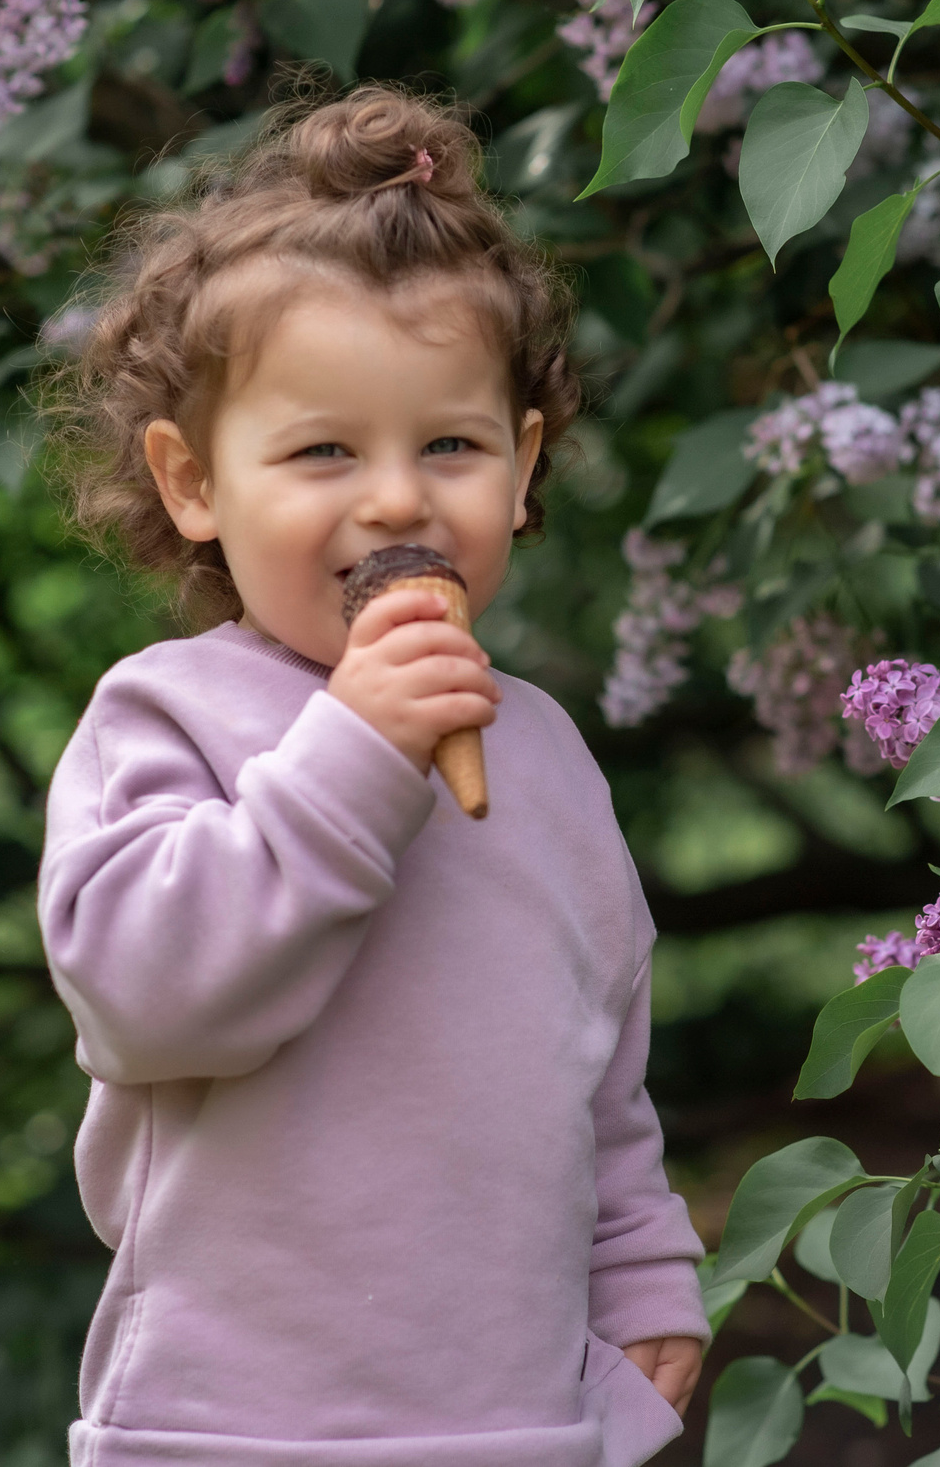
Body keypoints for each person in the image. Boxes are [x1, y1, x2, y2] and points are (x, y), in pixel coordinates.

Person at [36, 84, 708, 1466]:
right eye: (324, 449)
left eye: (450, 445)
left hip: (515, 1416)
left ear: (520, 471)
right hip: (231, 1425)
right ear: (194, 483)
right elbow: (141, 997)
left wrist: (642, 1271)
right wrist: (355, 750)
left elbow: (601, 1055)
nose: (398, 499)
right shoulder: (168, 716)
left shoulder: (547, 751)